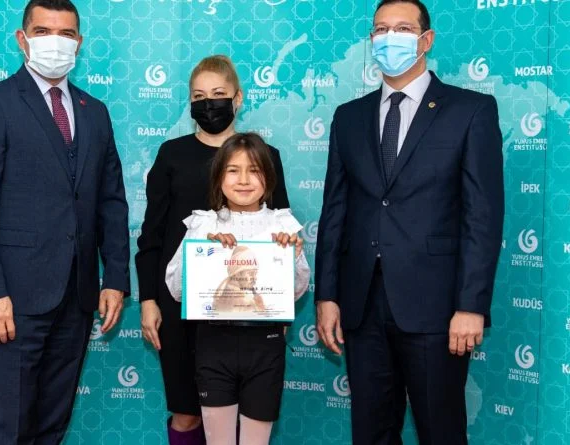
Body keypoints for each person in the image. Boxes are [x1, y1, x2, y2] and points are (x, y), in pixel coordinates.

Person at [314, 1, 504, 444]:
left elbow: (482, 216)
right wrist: (327, 295)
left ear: (426, 40)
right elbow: (335, 210)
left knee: (441, 432)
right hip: (362, 305)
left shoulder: (471, 110)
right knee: (371, 433)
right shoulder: (348, 117)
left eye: (402, 28)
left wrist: (471, 305)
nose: (389, 38)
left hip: (437, 308)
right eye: (380, 30)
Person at [0, 1, 130, 443]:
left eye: (66, 33)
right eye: (43, 31)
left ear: (79, 43)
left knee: (53, 424)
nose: (55, 41)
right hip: (12, 300)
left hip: (77, 296)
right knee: (12, 426)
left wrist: (115, 279)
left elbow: (111, 202)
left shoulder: (95, 111)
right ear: (22, 39)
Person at [135, 55, 290, 444]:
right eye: (199, 97)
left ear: (238, 98)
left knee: (246, 416)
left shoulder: (266, 157)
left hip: (249, 309)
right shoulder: (172, 155)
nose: (209, 104)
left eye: (218, 94)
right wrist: (149, 300)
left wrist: (280, 302)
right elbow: (151, 237)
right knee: (187, 413)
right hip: (179, 305)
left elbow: (281, 230)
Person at [164, 132, 310, 445]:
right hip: (213, 347)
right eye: (233, 170)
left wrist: (293, 254)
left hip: (265, 348)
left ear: (268, 179)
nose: (243, 180)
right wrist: (201, 252)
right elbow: (176, 289)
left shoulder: (282, 226)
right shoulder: (203, 225)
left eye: (254, 170)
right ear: (218, 178)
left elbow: (297, 291)